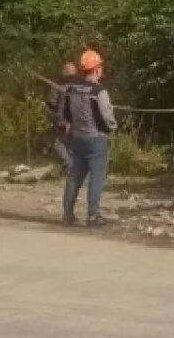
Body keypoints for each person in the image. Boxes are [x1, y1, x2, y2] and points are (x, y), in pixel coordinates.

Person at [57, 49, 117, 227]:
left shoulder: (72, 89)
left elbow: (67, 112)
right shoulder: (99, 91)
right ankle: (93, 216)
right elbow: (106, 115)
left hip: (78, 138)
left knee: (74, 175)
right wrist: (113, 127)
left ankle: (68, 214)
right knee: (97, 177)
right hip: (96, 139)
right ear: (97, 69)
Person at [45, 62, 79, 168]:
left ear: (64, 72)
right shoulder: (81, 86)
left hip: (63, 120)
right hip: (78, 121)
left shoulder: (58, 85)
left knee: (58, 143)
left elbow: (51, 101)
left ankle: (69, 164)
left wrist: (55, 111)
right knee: (73, 144)